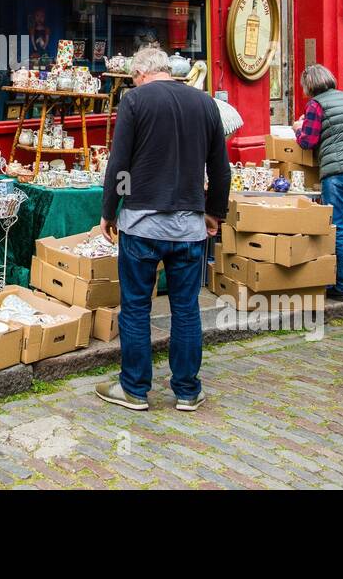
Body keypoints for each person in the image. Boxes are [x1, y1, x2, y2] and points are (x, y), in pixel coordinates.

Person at [97, 46, 231, 412]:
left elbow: (119, 163)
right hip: (189, 226)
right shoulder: (204, 103)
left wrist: (110, 210)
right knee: (186, 308)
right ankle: (187, 390)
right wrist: (215, 212)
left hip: (142, 223)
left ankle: (135, 389)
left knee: (136, 307)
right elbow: (220, 167)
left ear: (139, 74)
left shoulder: (135, 100)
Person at [294, 64, 343, 304]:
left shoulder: (316, 104)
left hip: (336, 174)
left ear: (309, 84)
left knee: (339, 228)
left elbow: (308, 141)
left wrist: (297, 129)